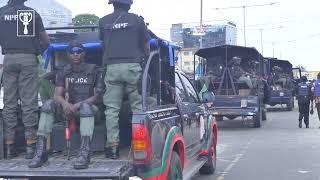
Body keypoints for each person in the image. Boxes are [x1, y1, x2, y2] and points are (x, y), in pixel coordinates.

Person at [29, 42, 104, 169]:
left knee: (86, 107)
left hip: (90, 111)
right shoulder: (64, 71)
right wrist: (65, 104)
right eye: (72, 52)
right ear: (68, 55)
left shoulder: (94, 70)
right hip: (69, 109)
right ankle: (41, 152)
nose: (76, 54)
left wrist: (77, 105)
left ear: (84, 53)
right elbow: (57, 95)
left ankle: (84, 154)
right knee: (48, 105)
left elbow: (98, 97)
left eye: (79, 51)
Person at [99, 0, 151, 159]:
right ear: (129, 4)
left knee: (112, 110)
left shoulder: (103, 21)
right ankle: (138, 147)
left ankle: (113, 148)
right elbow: (146, 47)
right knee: (137, 108)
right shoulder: (137, 20)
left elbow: (102, 44)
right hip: (132, 68)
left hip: (112, 69)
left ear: (112, 4)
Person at [0, 0, 50, 159]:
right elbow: (46, 41)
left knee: (9, 104)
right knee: (29, 103)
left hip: (8, 58)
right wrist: (35, 53)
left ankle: (9, 146)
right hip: (28, 58)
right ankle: (30, 146)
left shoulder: (1, 13)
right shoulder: (32, 13)